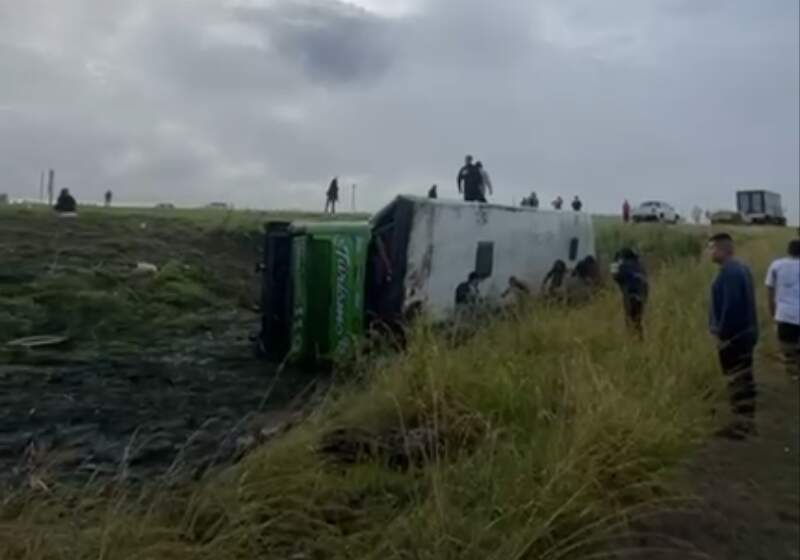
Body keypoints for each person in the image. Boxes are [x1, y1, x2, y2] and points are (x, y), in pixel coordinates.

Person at [708, 233, 759, 439]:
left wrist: (722, 335)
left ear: (722, 249)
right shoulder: (741, 268)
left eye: (712, 248)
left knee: (737, 378)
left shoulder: (729, 272)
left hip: (734, 337)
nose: (709, 252)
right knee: (744, 377)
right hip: (745, 334)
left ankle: (741, 425)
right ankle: (746, 422)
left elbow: (731, 308)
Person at [765, 238, 800, 379]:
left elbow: (770, 291)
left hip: (784, 314)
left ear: (788, 251)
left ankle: (793, 375)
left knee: (788, 349)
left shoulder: (776, 265)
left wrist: (773, 313)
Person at [612, 248, 649, 335]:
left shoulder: (623, 266)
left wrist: (614, 260)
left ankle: (633, 340)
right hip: (642, 295)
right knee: (638, 319)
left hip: (630, 295)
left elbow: (615, 276)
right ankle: (640, 338)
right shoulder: (640, 266)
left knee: (630, 320)